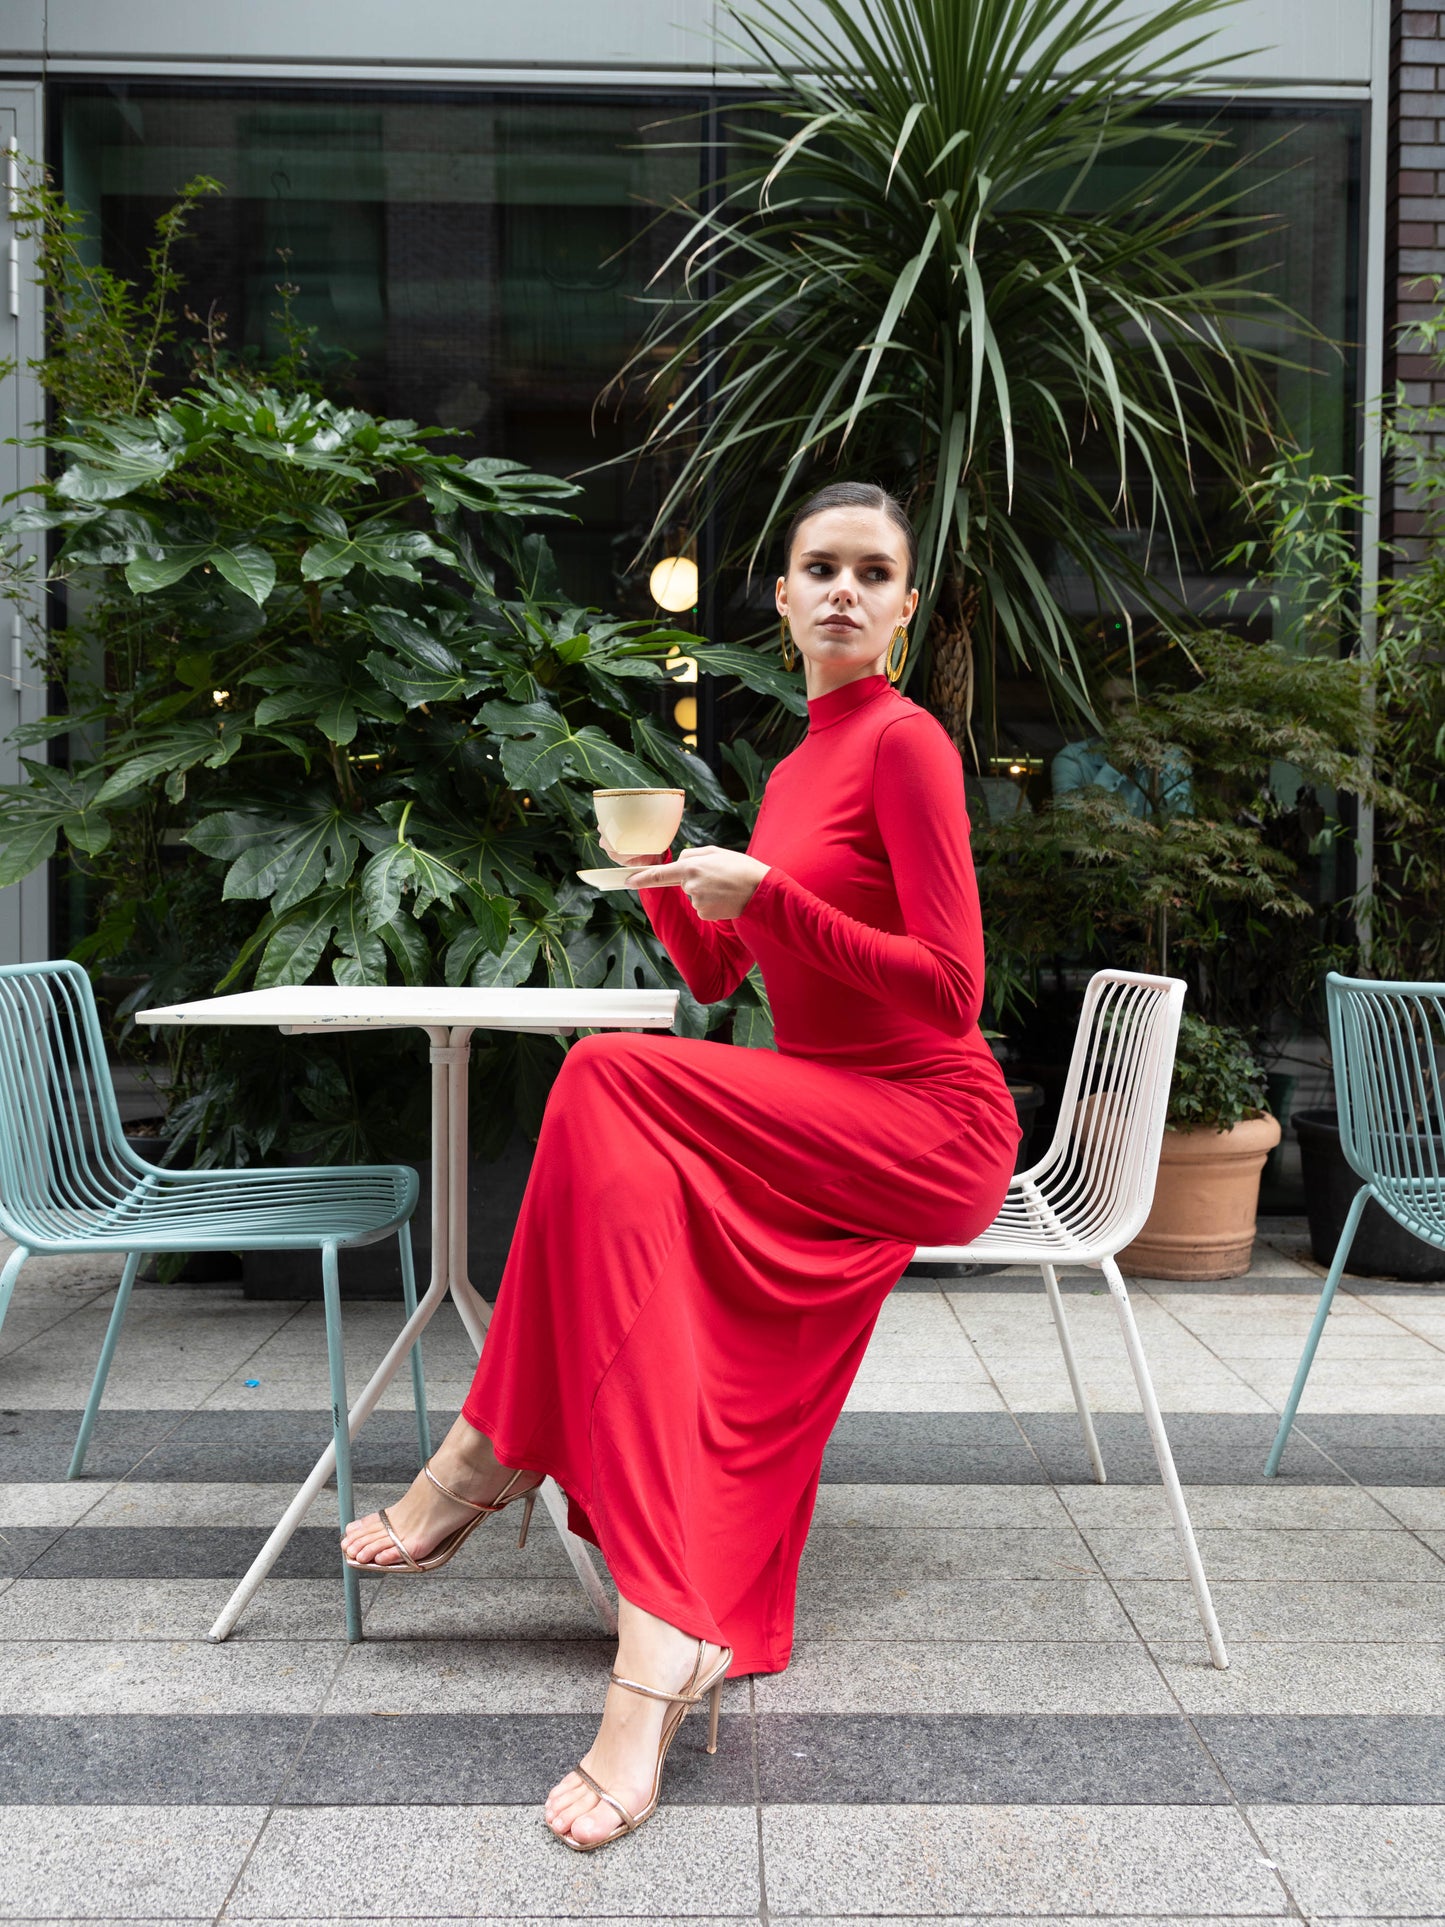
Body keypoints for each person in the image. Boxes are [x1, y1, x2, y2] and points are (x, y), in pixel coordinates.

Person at [341, 481, 1020, 1850]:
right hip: (825, 1106)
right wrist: (669, 891)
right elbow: (728, 975)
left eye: (869, 572)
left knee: (604, 1074)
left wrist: (768, 894)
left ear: (901, 606)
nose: (840, 590)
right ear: (778, 599)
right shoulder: (791, 767)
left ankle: (491, 1446)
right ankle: (674, 1624)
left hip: (926, 1121)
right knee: (636, 1197)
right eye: (815, 567)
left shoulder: (906, 746)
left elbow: (948, 991)